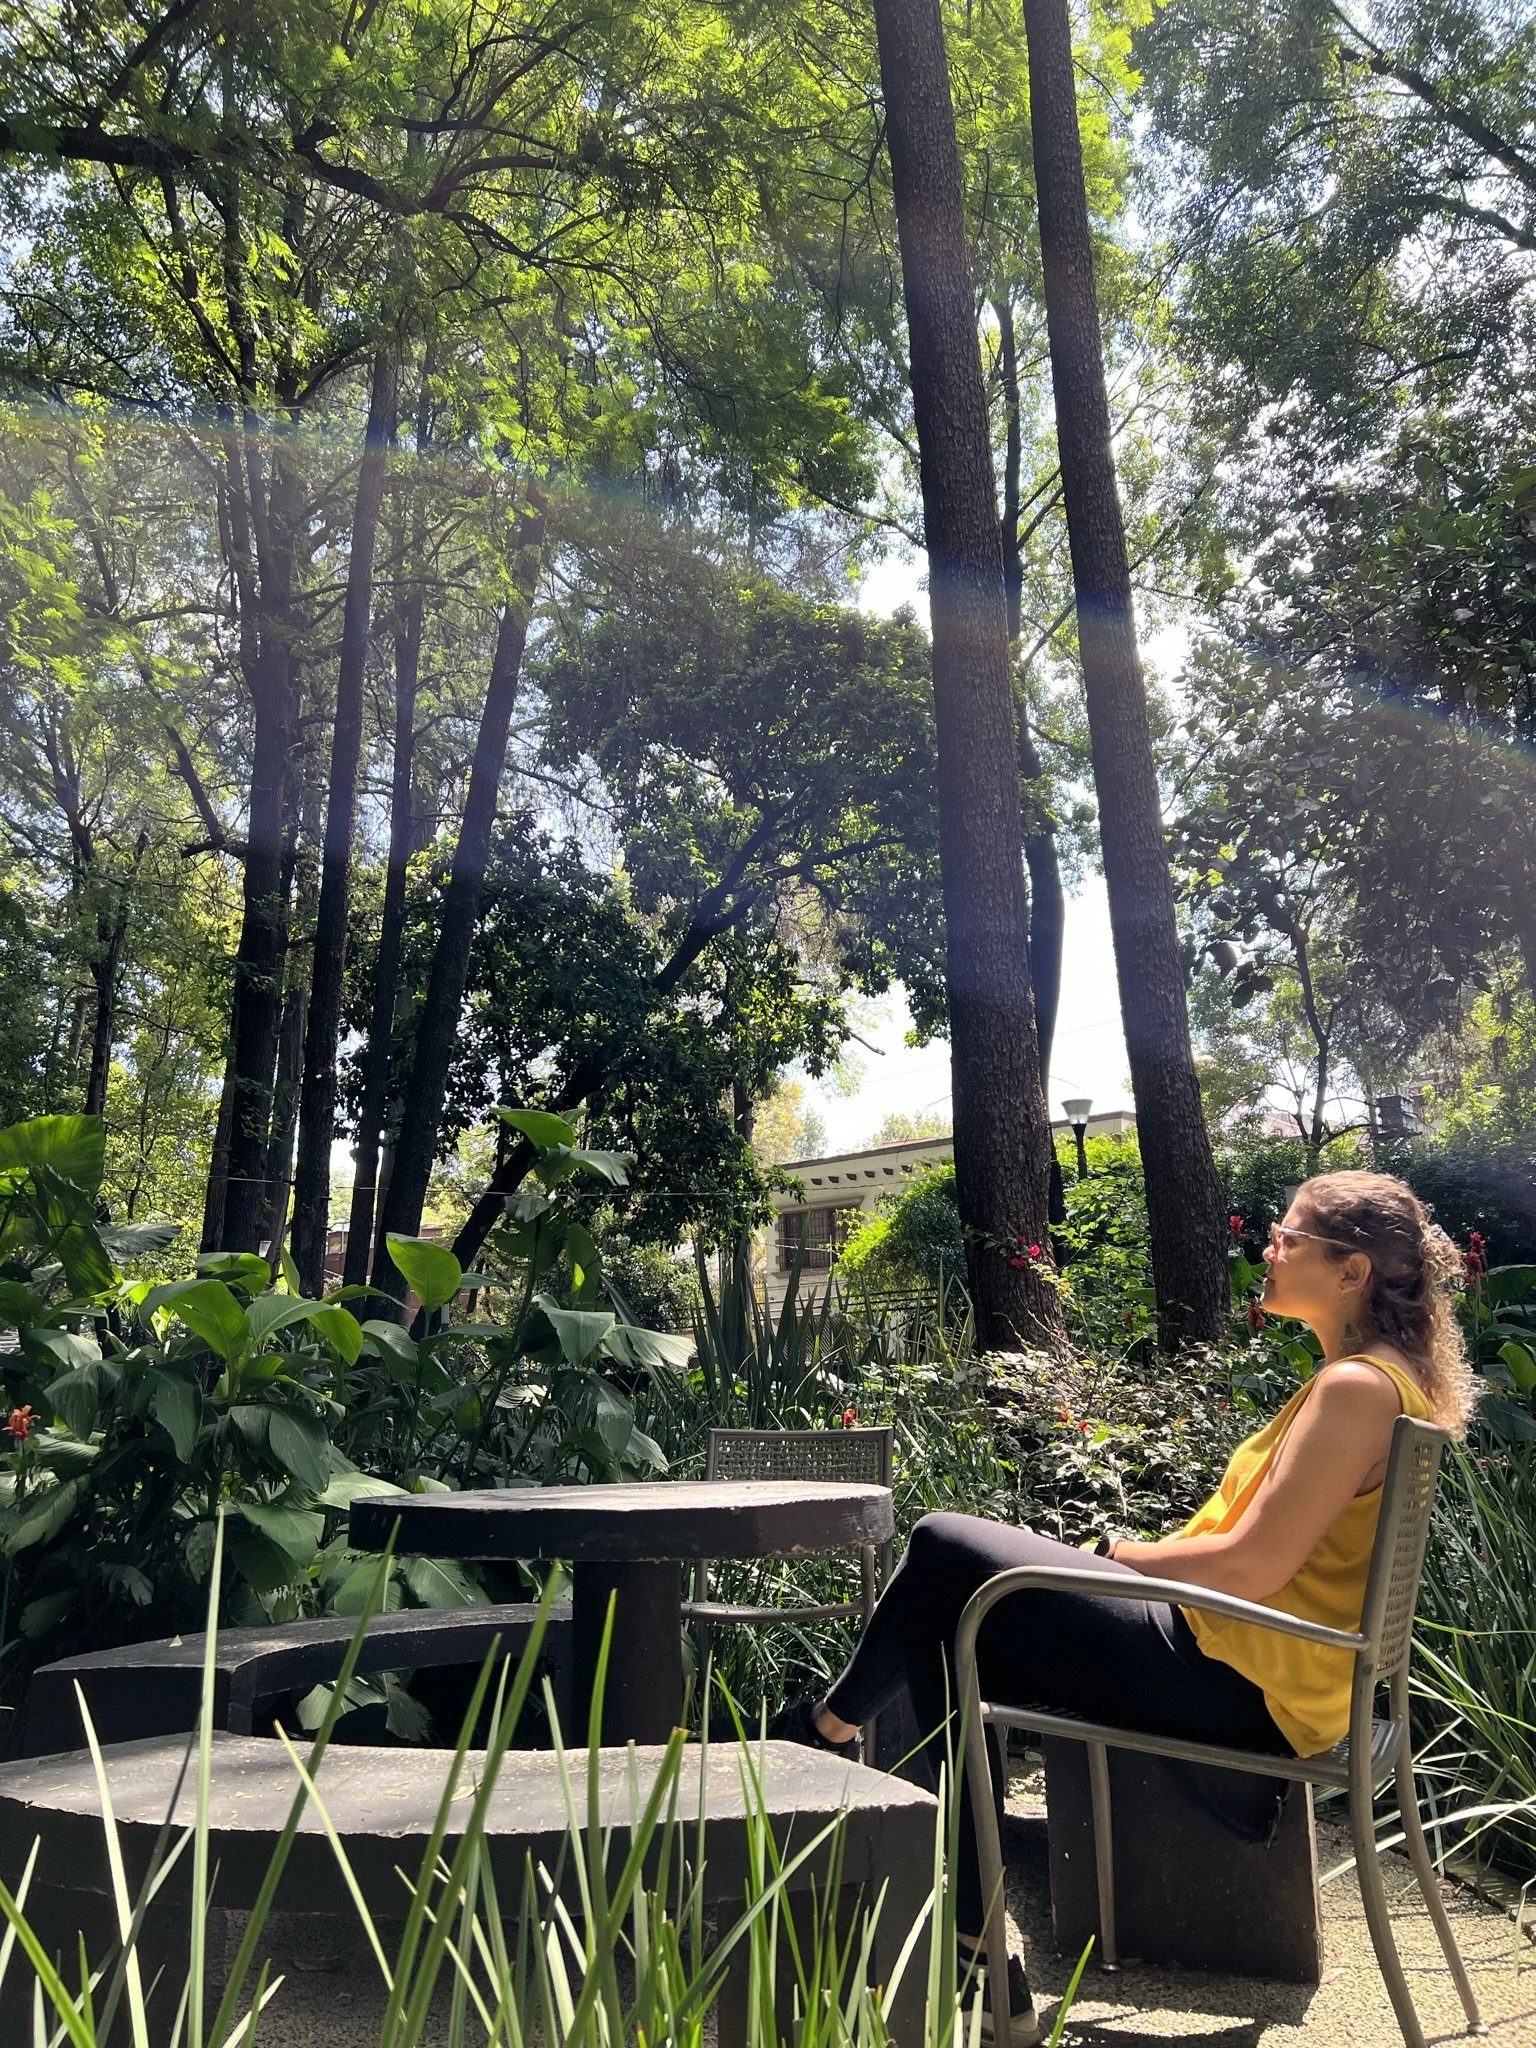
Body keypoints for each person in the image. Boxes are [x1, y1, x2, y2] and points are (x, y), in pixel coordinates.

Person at [774, 1171, 1476, 2046]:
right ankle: (961, 1924)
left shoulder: (1357, 1390)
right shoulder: (1382, 1381)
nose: (1267, 1248)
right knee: (951, 1604)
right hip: (1251, 1661)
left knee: (946, 1550)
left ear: (1351, 1270)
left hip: (1237, 1675)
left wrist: (1115, 1554)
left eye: (1288, 1236)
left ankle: (837, 1745)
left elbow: (1254, 1566)